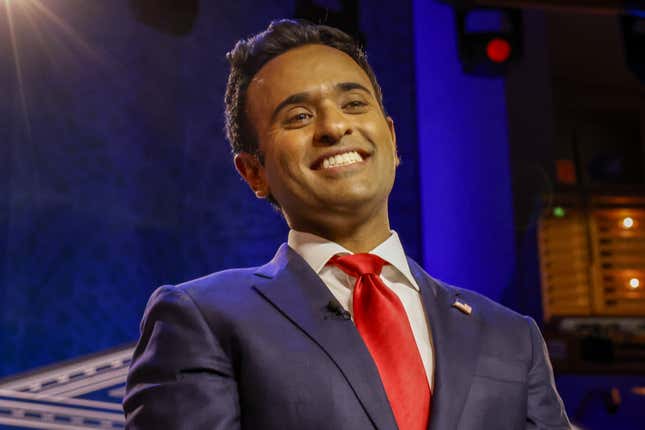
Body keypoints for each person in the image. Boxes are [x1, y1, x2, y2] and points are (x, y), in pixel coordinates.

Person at [123, 19, 571, 430]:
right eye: (298, 116)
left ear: (392, 140)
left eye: (354, 103)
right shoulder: (202, 318)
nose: (335, 126)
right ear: (253, 172)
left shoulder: (513, 337)